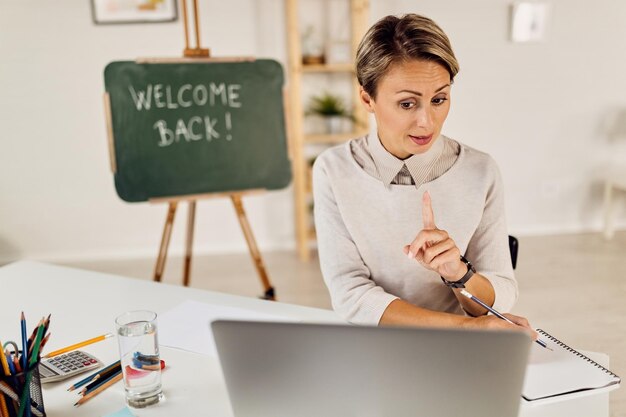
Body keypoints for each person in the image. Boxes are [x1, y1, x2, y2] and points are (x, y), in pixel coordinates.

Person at [313, 13, 535, 337]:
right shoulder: (334, 171)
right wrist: (466, 329)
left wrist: (459, 273)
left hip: (457, 351)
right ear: (367, 99)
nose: (427, 122)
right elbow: (350, 294)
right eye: (407, 104)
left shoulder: (480, 171)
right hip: (376, 343)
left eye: (439, 99)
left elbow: (499, 293)